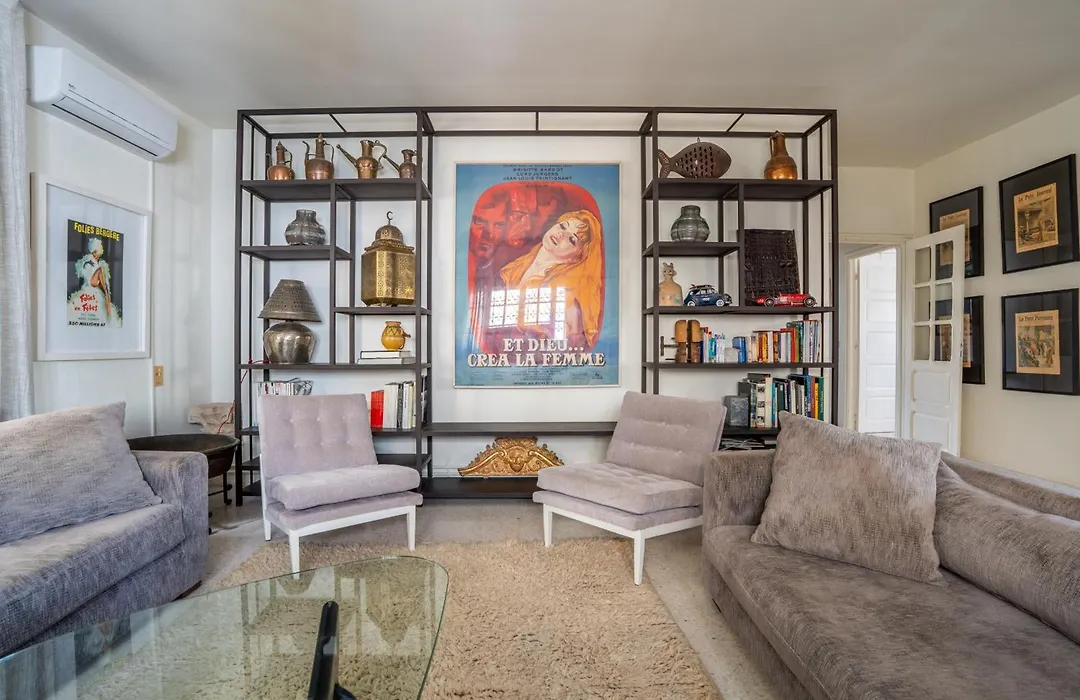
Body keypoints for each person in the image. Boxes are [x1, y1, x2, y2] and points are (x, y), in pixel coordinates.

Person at [496, 209, 604, 351]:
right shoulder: (514, 268)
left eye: (572, 239)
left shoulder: (567, 300)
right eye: (563, 226)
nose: (561, 234)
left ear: (576, 258)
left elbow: (572, 350)